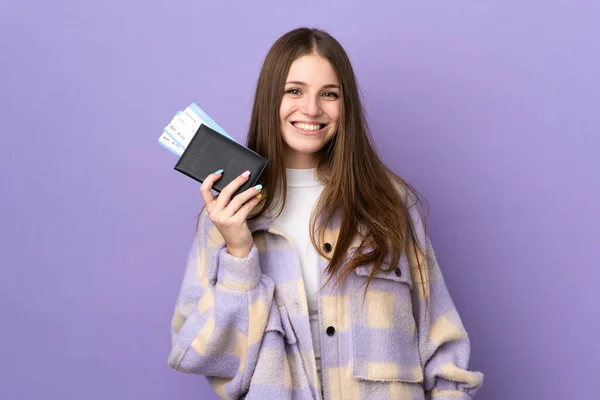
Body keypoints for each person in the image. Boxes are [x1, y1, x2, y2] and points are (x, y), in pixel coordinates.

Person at [167, 27, 483, 400]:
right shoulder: (225, 216)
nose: (312, 109)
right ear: (271, 98)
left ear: (344, 104)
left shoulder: (389, 202)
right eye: (294, 91)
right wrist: (239, 255)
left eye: (329, 94)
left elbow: (443, 345)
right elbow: (202, 354)